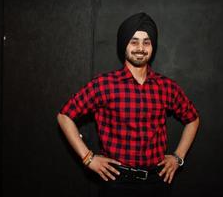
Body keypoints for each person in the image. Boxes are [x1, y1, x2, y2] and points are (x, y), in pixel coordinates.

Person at [57, 12, 200, 197]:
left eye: (146, 42)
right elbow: (64, 116)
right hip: (116, 182)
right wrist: (88, 158)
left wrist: (178, 157)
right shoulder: (104, 84)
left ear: (152, 46)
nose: (140, 48)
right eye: (134, 41)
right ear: (123, 44)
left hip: (158, 181)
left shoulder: (166, 87)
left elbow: (193, 119)